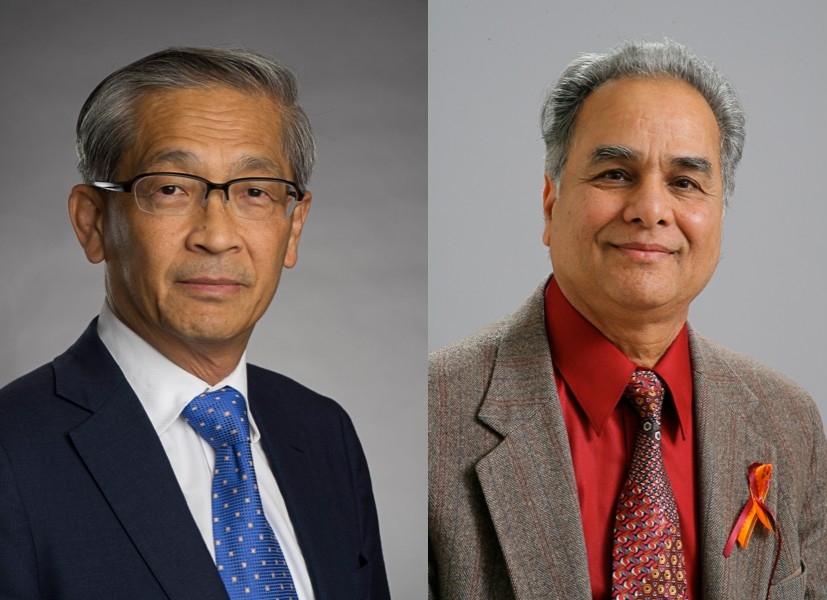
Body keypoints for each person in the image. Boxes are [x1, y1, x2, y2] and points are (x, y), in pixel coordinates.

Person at [428, 39, 826, 600]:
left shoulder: (791, 424)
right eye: (615, 174)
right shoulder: (435, 414)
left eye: (685, 182)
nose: (651, 209)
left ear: (718, 215)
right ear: (550, 202)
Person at [0, 47, 390, 600]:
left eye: (255, 192)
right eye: (171, 189)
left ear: (294, 226)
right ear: (92, 223)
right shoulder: (12, 453)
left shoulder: (324, 434)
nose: (216, 235)